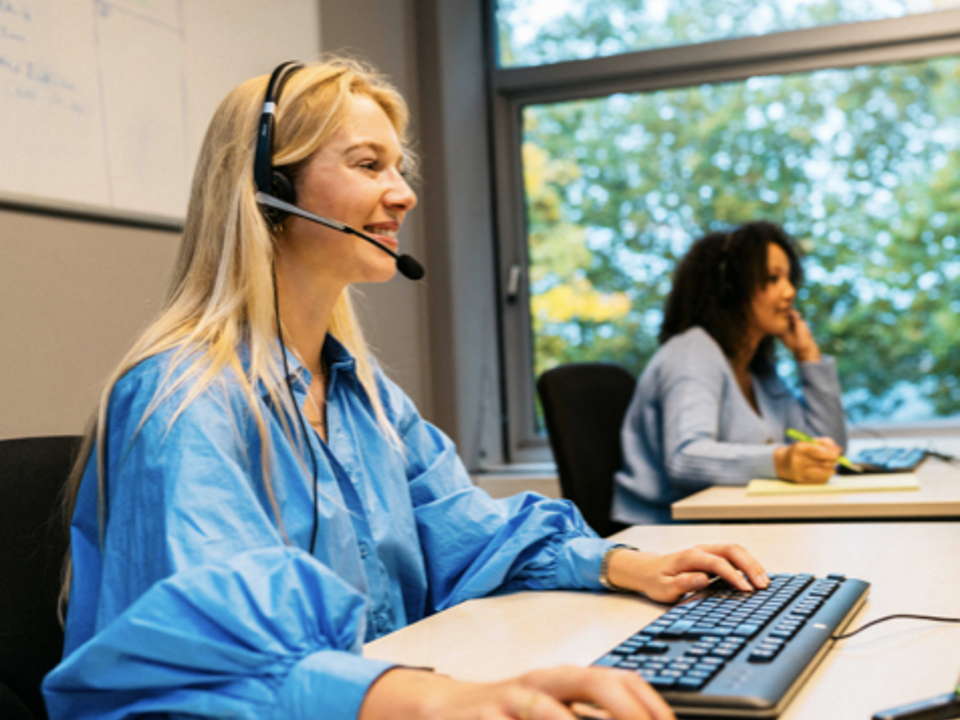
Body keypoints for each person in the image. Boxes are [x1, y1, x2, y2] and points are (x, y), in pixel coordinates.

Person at [43, 58, 770, 720]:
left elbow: (474, 536)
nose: (404, 194)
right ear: (270, 187)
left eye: (399, 167)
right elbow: (204, 658)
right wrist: (436, 700)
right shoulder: (181, 401)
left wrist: (624, 563)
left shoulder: (369, 399)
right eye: (369, 164)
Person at [613, 221, 848, 525]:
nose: (790, 292)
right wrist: (780, 461)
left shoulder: (759, 373)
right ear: (730, 286)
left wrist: (808, 359)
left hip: (728, 530)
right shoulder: (692, 353)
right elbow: (684, 459)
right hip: (663, 540)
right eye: (773, 278)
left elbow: (826, 449)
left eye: (790, 279)